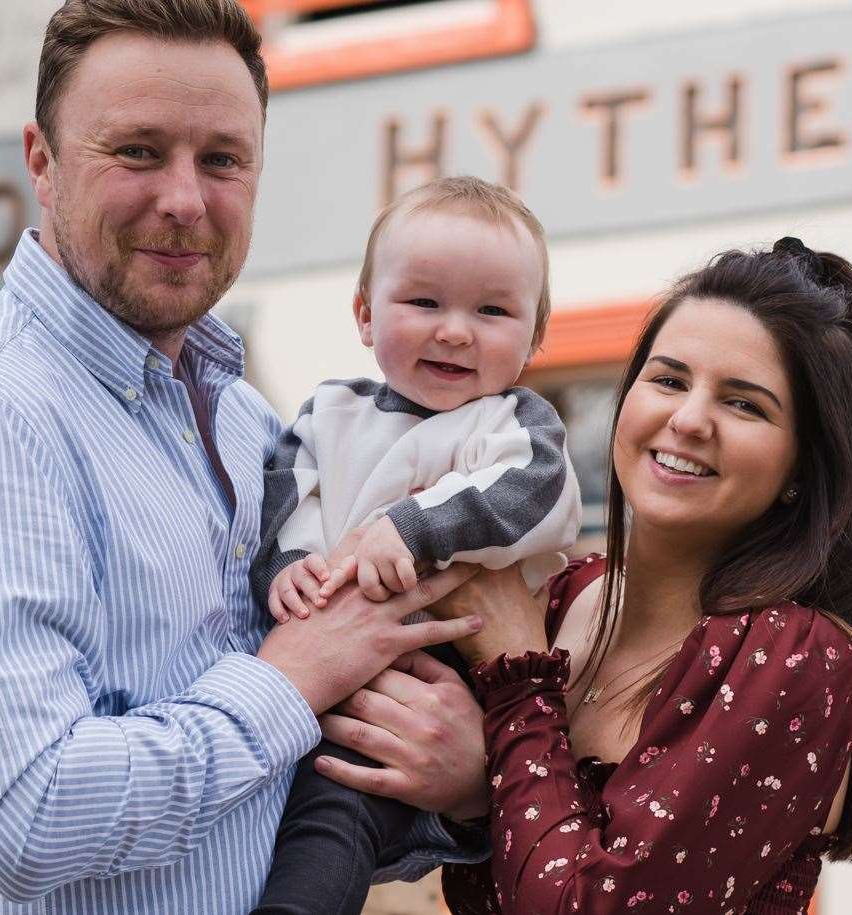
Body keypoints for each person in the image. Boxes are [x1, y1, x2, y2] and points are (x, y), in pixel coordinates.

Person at [0, 2, 488, 912]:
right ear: (42, 162)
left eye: (221, 159)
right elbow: (31, 818)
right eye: (138, 151)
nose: (184, 199)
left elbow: (265, 802)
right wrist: (290, 680)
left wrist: (455, 783)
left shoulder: (246, 420)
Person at [316, 239, 852, 913]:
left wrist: (515, 690)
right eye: (667, 380)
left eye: (744, 404)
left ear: (802, 468)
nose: (688, 419)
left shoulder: (792, 654)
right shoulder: (556, 592)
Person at [251, 177, 582, 914]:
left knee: (331, 822)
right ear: (366, 314)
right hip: (306, 679)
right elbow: (285, 490)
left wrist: (411, 526)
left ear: (534, 337)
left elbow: (531, 494)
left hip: (426, 693)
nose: (454, 330)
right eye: (424, 302)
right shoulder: (330, 412)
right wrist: (291, 564)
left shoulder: (511, 424)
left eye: (491, 310)